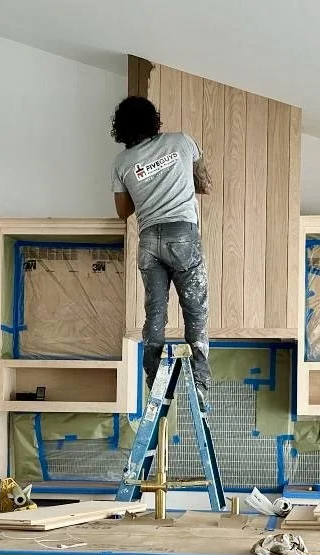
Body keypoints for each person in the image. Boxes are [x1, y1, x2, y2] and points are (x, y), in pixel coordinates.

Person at [110, 96, 212, 407]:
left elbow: (122, 211)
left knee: (155, 313)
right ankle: (200, 387)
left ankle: (154, 383)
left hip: (149, 240)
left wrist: (145, 184)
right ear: (154, 119)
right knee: (195, 311)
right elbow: (203, 180)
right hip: (182, 234)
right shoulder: (181, 141)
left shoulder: (122, 162)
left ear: (121, 127)